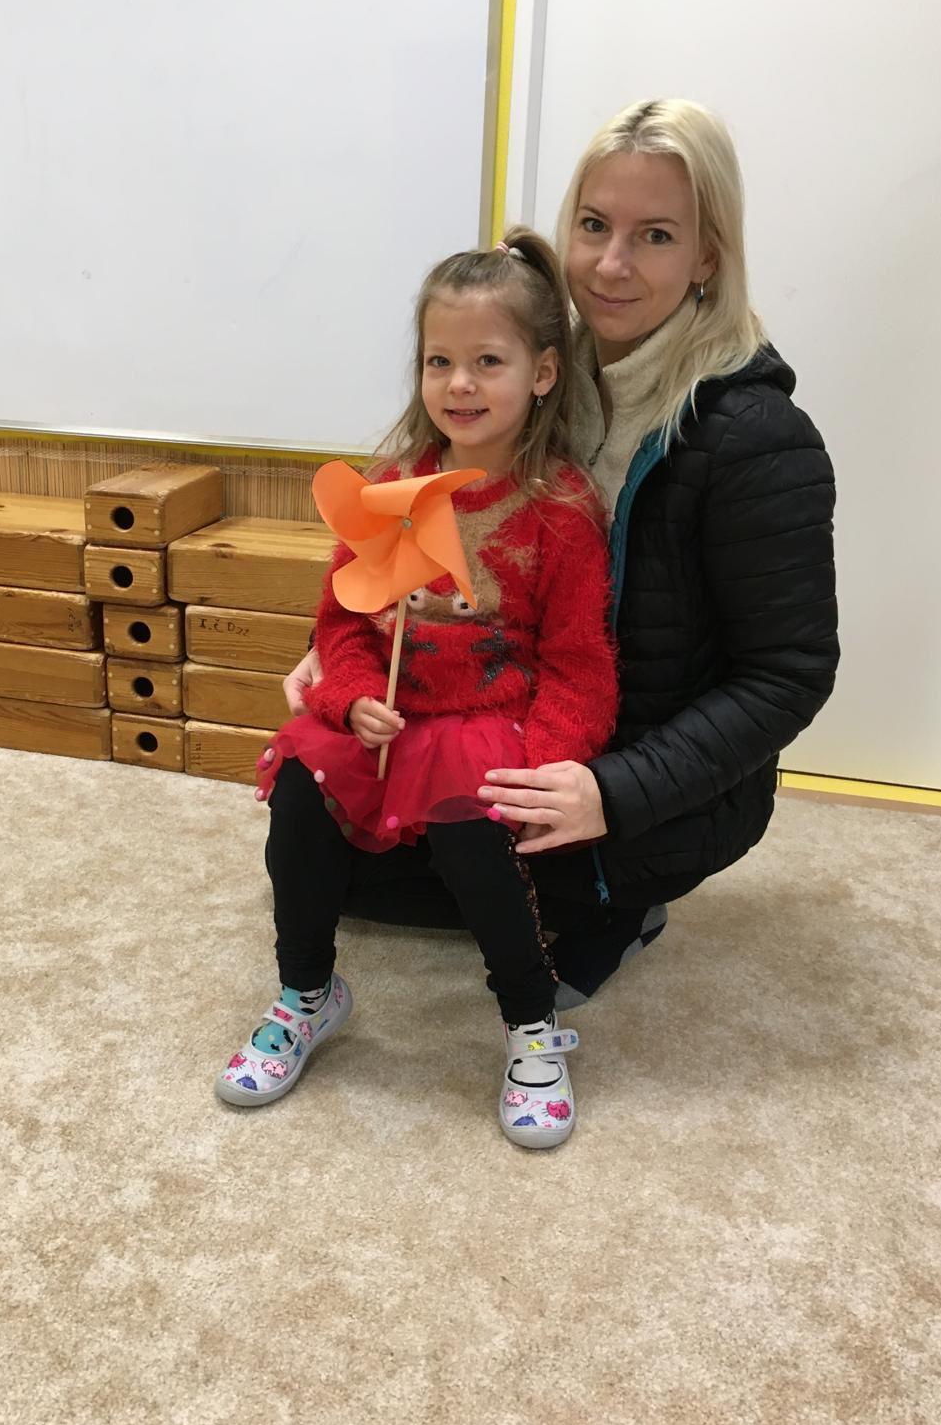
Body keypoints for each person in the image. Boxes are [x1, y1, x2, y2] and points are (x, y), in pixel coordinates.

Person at [280, 98, 839, 1013]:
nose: (612, 264)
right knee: (323, 850)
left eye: (655, 236)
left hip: (633, 772)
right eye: (593, 225)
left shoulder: (758, 438)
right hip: (492, 716)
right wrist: (336, 657)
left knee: (463, 873)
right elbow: (403, 548)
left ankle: (624, 903)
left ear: (707, 257)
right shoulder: (521, 374)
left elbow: (790, 674)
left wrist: (609, 792)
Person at [216, 228, 619, 1148]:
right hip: (388, 716)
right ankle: (307, 993)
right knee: (302, 788)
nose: (460, 385)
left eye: (488, 361)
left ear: (543, 373)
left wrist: (546, 761)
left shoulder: (560, 511)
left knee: (474, 825)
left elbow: (579, 663)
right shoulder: (391, 486)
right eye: (440, 361)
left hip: (489, 721)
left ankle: (531, 1025)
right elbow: (341, 624)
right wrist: (350, 696)